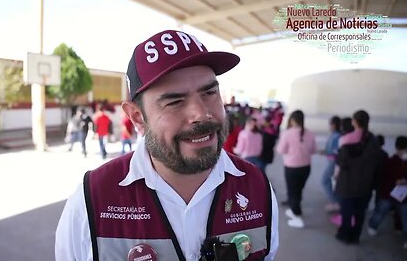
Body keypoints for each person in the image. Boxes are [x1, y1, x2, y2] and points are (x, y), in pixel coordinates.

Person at [55, 29, 279, 261]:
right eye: (174, 101)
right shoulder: (92, 198)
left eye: (210, 92)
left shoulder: (257, 187)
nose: (201, 114)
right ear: (138, 117)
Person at [334, 110, 381, 244]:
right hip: (365, 184)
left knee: (347, 212)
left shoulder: (345, 140)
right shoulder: (373, 140)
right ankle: (355, 237)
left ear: (354, 121)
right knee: (360, 212)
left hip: (347, 183)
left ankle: (344, 235)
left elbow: (340, 162)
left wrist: (336, 177)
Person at [276, 110, 316, 228]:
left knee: (293, 192)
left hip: (292, 167)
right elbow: (313, 150)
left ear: (292, 120)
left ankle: (297, 216)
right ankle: (295, 209)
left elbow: (280, 150)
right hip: (306, 167)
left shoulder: (287, 133)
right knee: (298, 191)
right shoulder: (309, 133)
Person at [368, 136, 407, 249]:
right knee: (380, 213)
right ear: (398, 149)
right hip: (390, 195)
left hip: (399, 196)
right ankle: (372, 226)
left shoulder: (390, 161)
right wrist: (396, 182)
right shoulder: (390, 162)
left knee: (405, 217)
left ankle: (399, 229)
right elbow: (383, 179)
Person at [320, 116, 341, 212]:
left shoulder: (337, 136)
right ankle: (335, 201)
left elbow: (336, 151)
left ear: (334, 125)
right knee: (329, 181)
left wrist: (326, 152)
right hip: (331, 160)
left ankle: (335, 202)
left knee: (324, 180)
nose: (329, 126)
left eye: (330, 124)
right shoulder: (334, 134)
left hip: (334, 161)